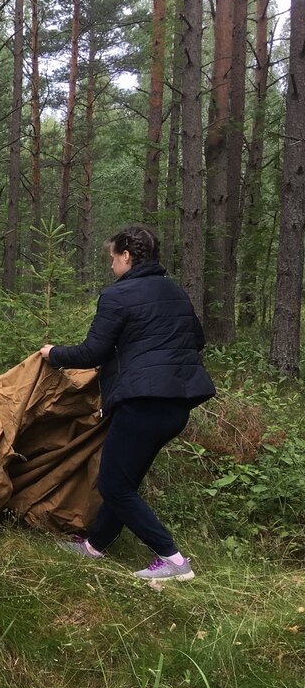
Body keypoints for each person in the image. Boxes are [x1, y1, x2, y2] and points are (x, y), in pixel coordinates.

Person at [40, 225, 215, 583]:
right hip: (177, 405)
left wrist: (53, 353)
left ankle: (173, 560)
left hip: (142, 404)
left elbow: (93, 352)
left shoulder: (118, 295)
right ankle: (95, 546)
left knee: (113, 487)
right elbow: (197, 338)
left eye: (112, 258)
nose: (111, 266)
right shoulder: (175, 292)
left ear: (127, 257)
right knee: (124, 482)